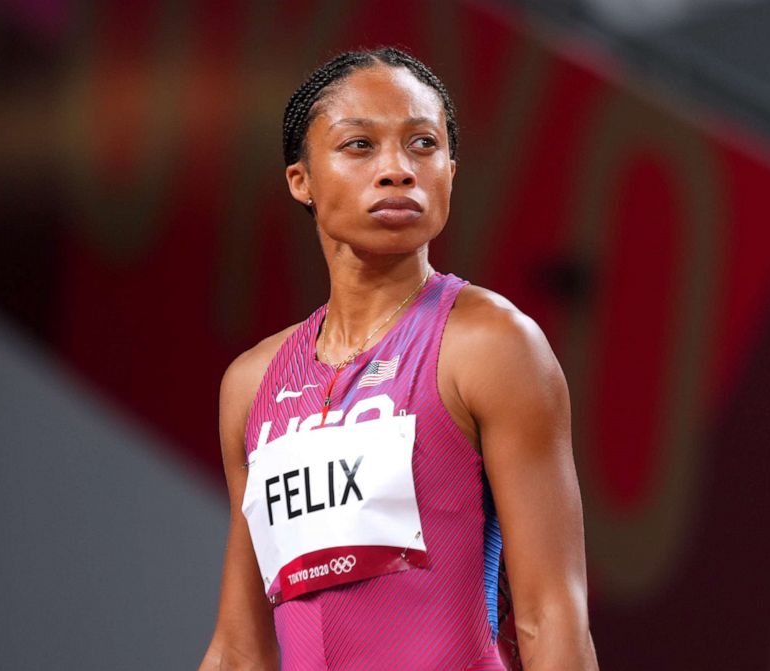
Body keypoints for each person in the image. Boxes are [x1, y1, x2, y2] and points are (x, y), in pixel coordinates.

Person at [198, 47, 599, 671]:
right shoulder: (252, 384)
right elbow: (240, 648)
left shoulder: (490, 344)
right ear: (300, 180)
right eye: (360, 145)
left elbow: (551, 613)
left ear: (450, 170)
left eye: (423, 145)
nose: (398, 170)